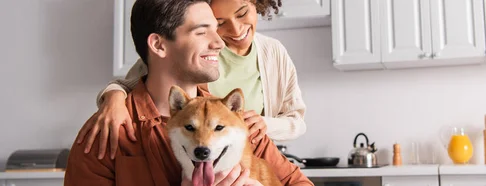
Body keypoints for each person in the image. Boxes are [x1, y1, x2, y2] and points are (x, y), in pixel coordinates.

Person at [63, 0, 313, 185]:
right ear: (159, 45)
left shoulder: (235, 123)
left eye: (216, 29)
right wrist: (114, 95)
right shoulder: (106, 133)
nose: (219, 42)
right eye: (202, 32)